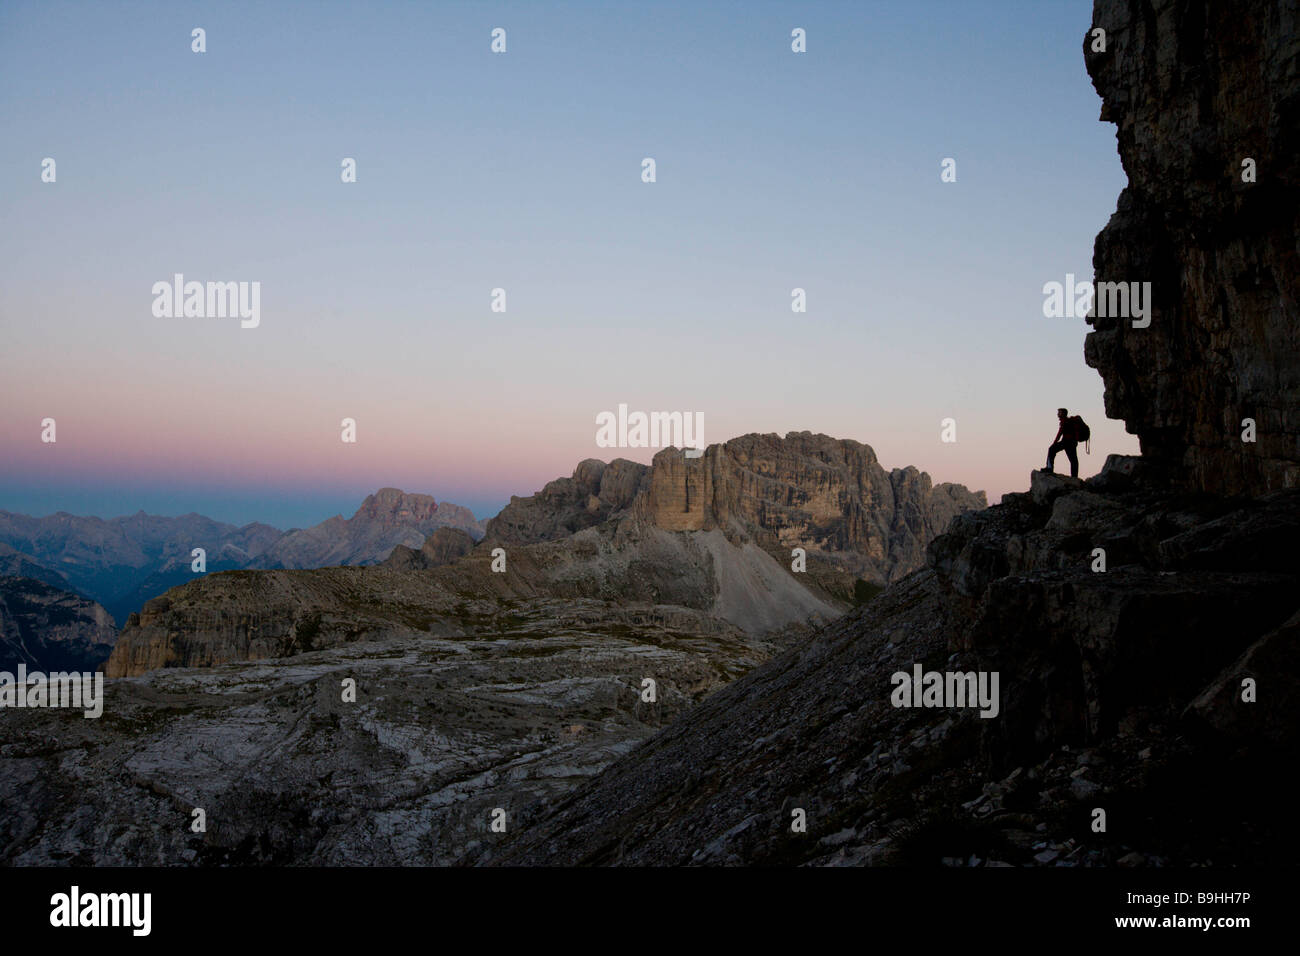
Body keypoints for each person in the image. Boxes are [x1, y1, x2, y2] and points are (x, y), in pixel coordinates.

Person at [1045, 407, 1081, 477]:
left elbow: (1060, 433)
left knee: (1051, 449)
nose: (1057, 414)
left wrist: (1054, 442)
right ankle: (1074, 476)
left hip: (1066, 442)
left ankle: (1049, 468)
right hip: (1072, 442)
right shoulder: (1069, 421)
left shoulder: (1064, 421)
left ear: (1063, 413)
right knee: (1073, 460)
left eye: (1059, 412)